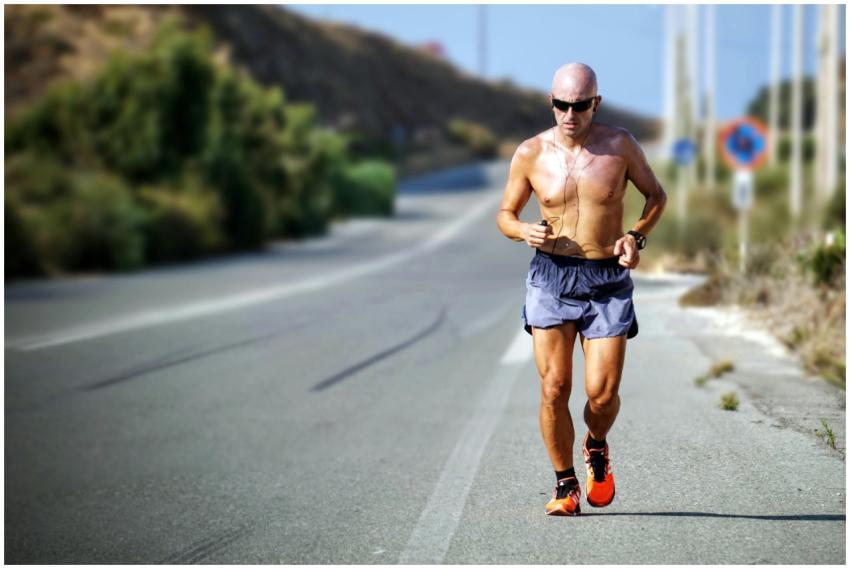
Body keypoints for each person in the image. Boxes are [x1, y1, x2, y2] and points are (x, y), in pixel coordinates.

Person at [496, 63, 667, 516]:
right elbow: (505, 213)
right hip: (551, 275)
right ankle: (565, 484)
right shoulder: (531, 153)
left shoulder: (620, 146)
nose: (569, 114)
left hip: (606, 279)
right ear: (550, 102)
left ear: (596, 103)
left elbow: (656, 196)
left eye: (579, 105)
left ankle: (596, 444)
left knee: (602, 395)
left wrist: (636, 236)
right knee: (554, 387)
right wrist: (520, 231)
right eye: (560, 105)